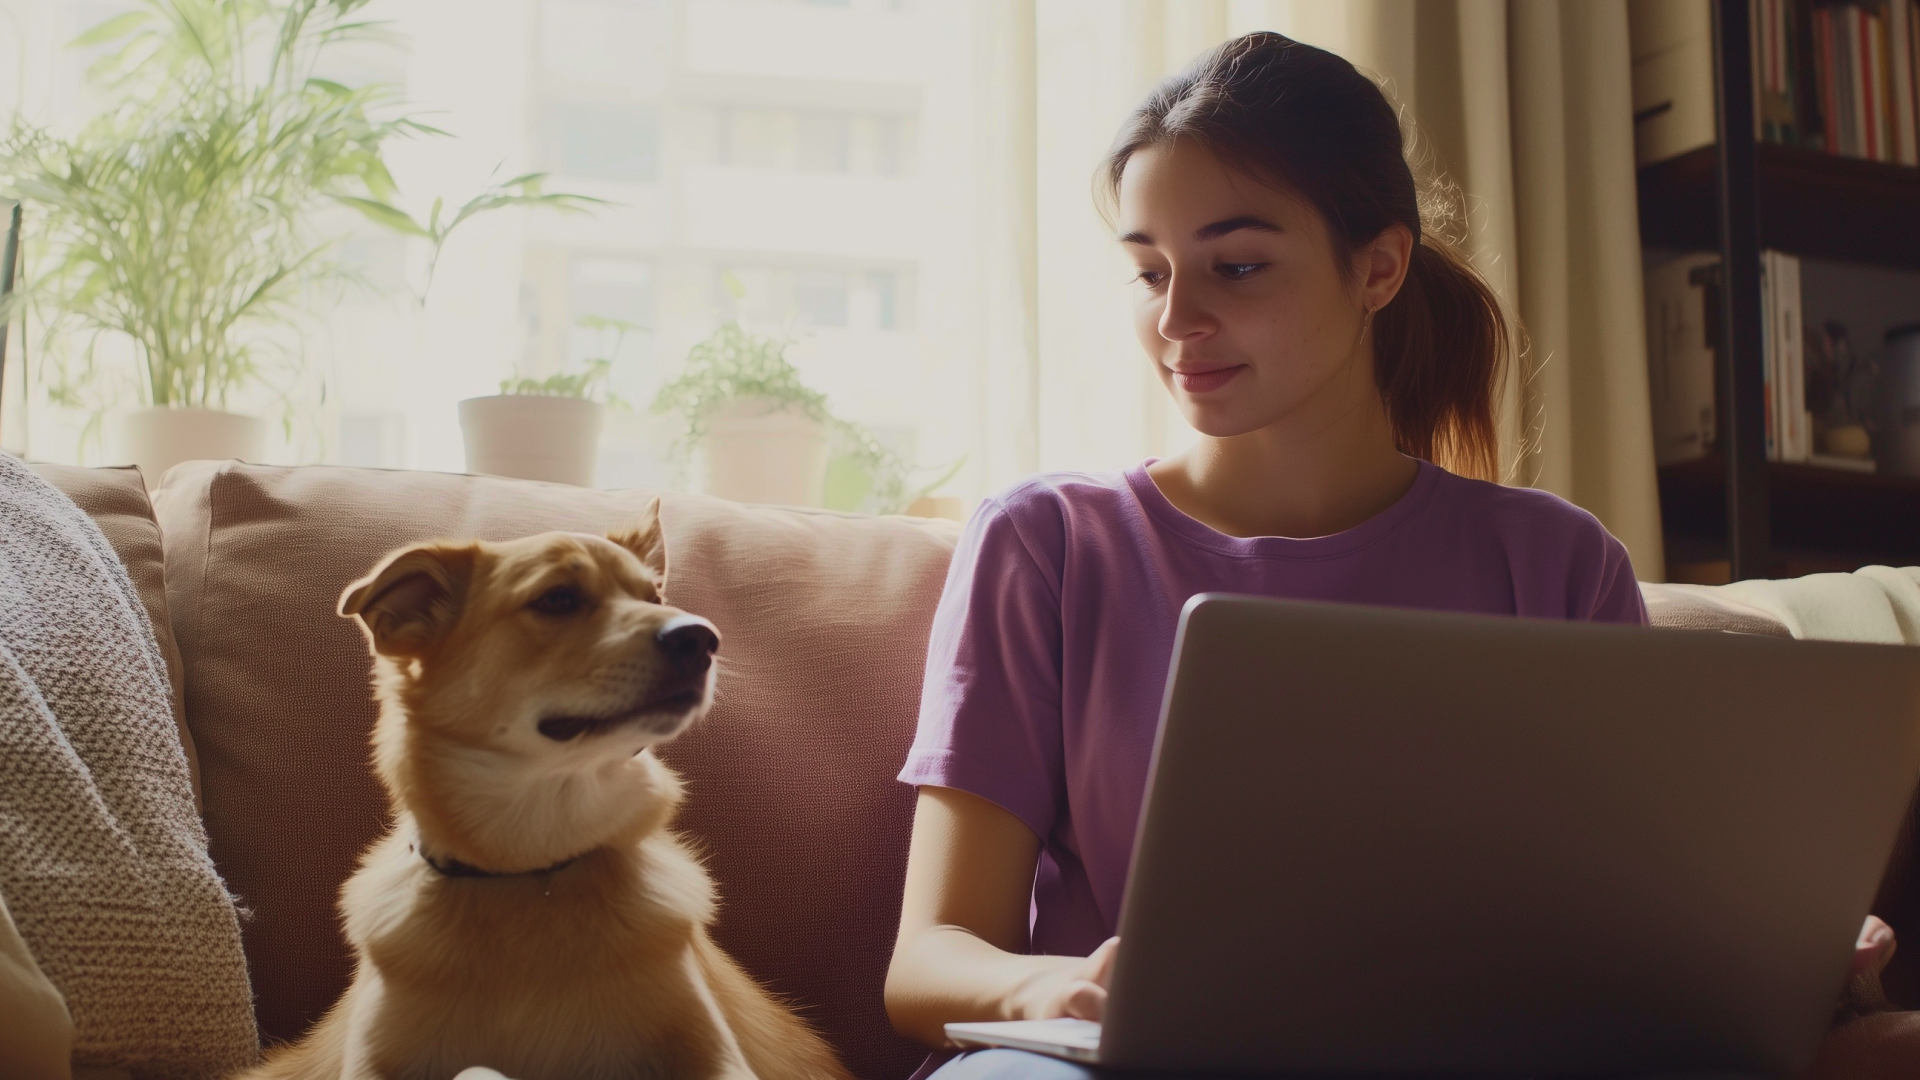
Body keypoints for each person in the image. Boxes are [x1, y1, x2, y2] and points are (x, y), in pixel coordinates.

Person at [882, 31, 1917, 1080]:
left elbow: (1619, 935)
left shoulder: (1554, 562)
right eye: (1149, 272)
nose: (1176, 320)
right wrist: (1049, 987)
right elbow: (926, 964)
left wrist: (1778, 959)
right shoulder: (1047, 545)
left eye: (1235, 267)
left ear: (1378, 268)